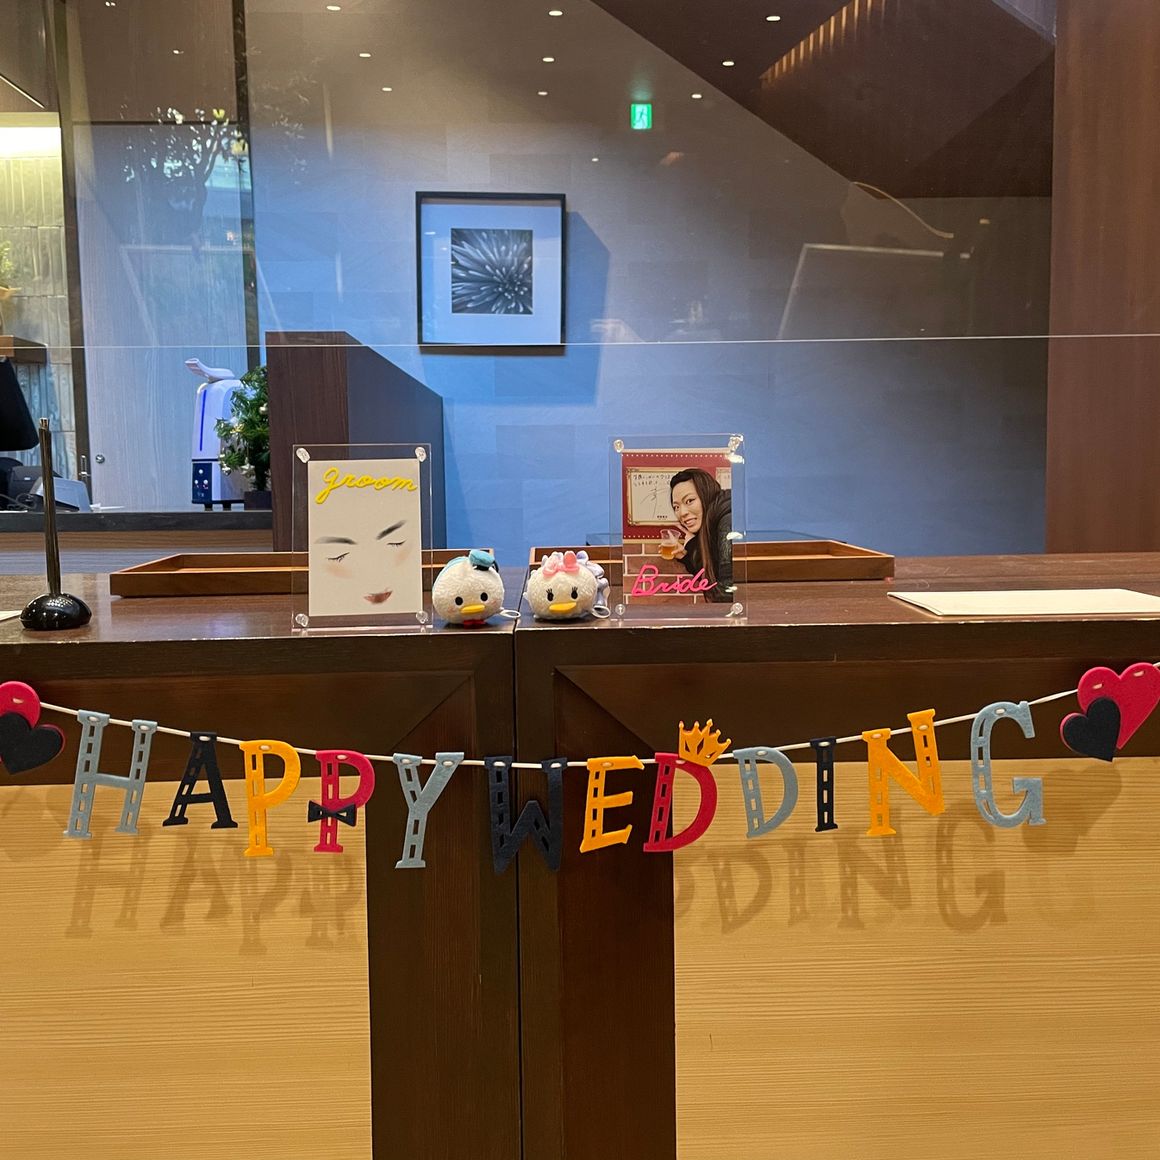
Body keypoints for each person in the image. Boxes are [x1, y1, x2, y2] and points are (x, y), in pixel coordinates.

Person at [665, 468, 733, 602]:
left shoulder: (727, 522)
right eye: (676, 507)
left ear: (706, 494)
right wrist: (687, 554)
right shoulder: (712, 526)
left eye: (689, 501)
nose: (682, 513)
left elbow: (726, 596)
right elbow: (712, 578)